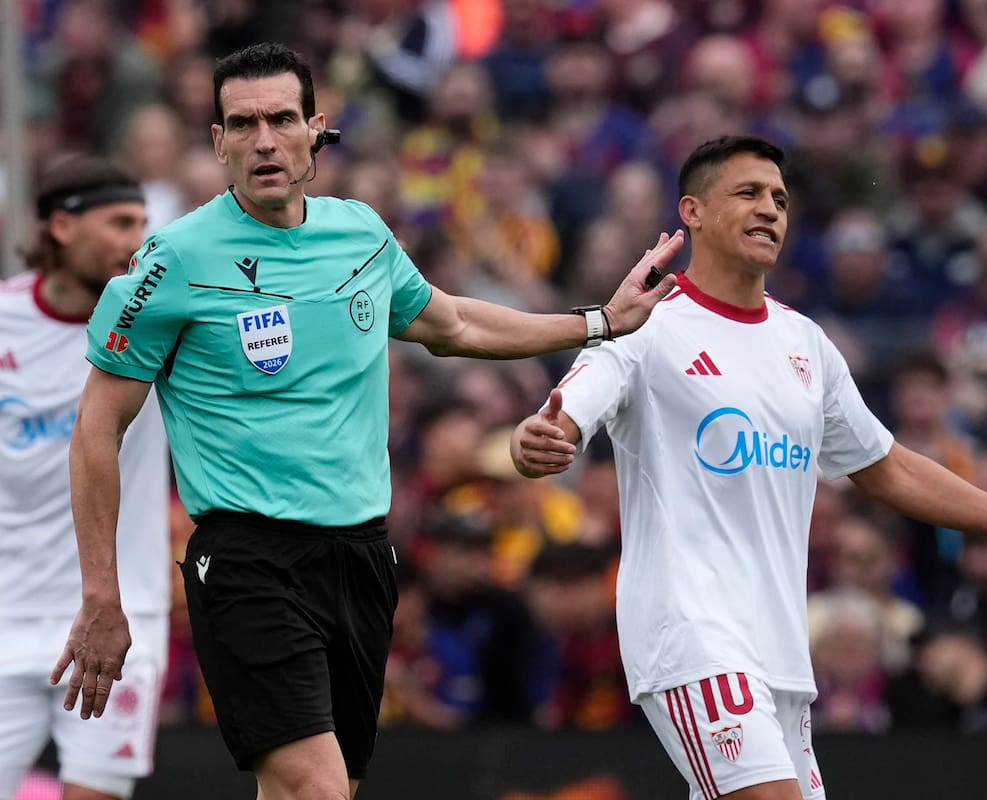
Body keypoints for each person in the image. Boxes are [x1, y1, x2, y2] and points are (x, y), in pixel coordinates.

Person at [50, 43, 682, 800]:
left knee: (320, 792)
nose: (264, 142)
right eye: (242, 124)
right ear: (216, 142)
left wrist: (600, 321)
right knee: (315, 788)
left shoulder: (361, 235)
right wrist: (100, 594)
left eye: (282, 119)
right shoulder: (172, 263)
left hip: (360, 557)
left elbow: (453, 325)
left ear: (315, 129)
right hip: (248, 560)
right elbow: (96, 430)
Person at [510, 135, 987, 800]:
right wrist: (536, 440)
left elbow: (888, 466)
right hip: (691, 635)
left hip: (780, 654)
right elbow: (561, 415)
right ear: (692, 211)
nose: (770, 209)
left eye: (779, 199)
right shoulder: (647, 325)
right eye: (748, 193)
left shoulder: (804, 343)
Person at [0, 156, 168, 800]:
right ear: (63, 228)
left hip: (121, 617)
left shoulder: (160, 324)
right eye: (121, 222)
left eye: (145, 224)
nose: (138, 242)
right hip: (8, 612)